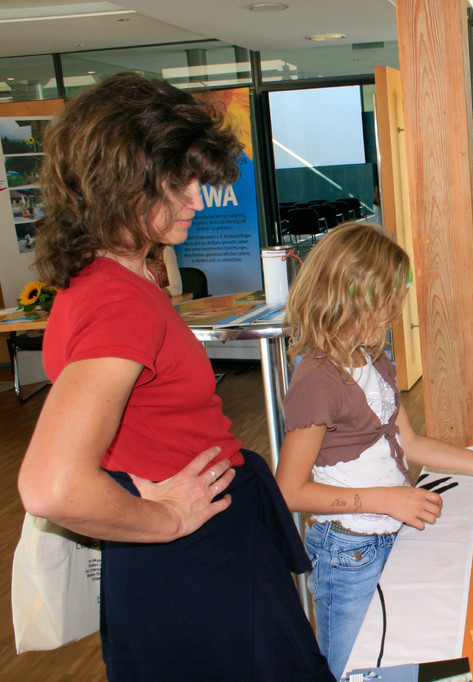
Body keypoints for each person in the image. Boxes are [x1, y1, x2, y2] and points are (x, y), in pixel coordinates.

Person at [17, 73, 333, 681]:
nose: (196, 196)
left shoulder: (102, 283)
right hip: (196, 555)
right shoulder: (119, 300)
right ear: (119, 185)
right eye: (176, 181)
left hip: (184, 551)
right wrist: (166, 518)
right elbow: (51, 486)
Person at [275, 223, 473, 678]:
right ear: (348, 295)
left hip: (387, 532)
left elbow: (410, 442)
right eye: (386, 301)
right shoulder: (316, 378)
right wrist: (382, 498)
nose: (394, 312)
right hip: (348, 549)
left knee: (393, 655)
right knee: (351, 669)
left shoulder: (371, 357)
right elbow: (288, 491)